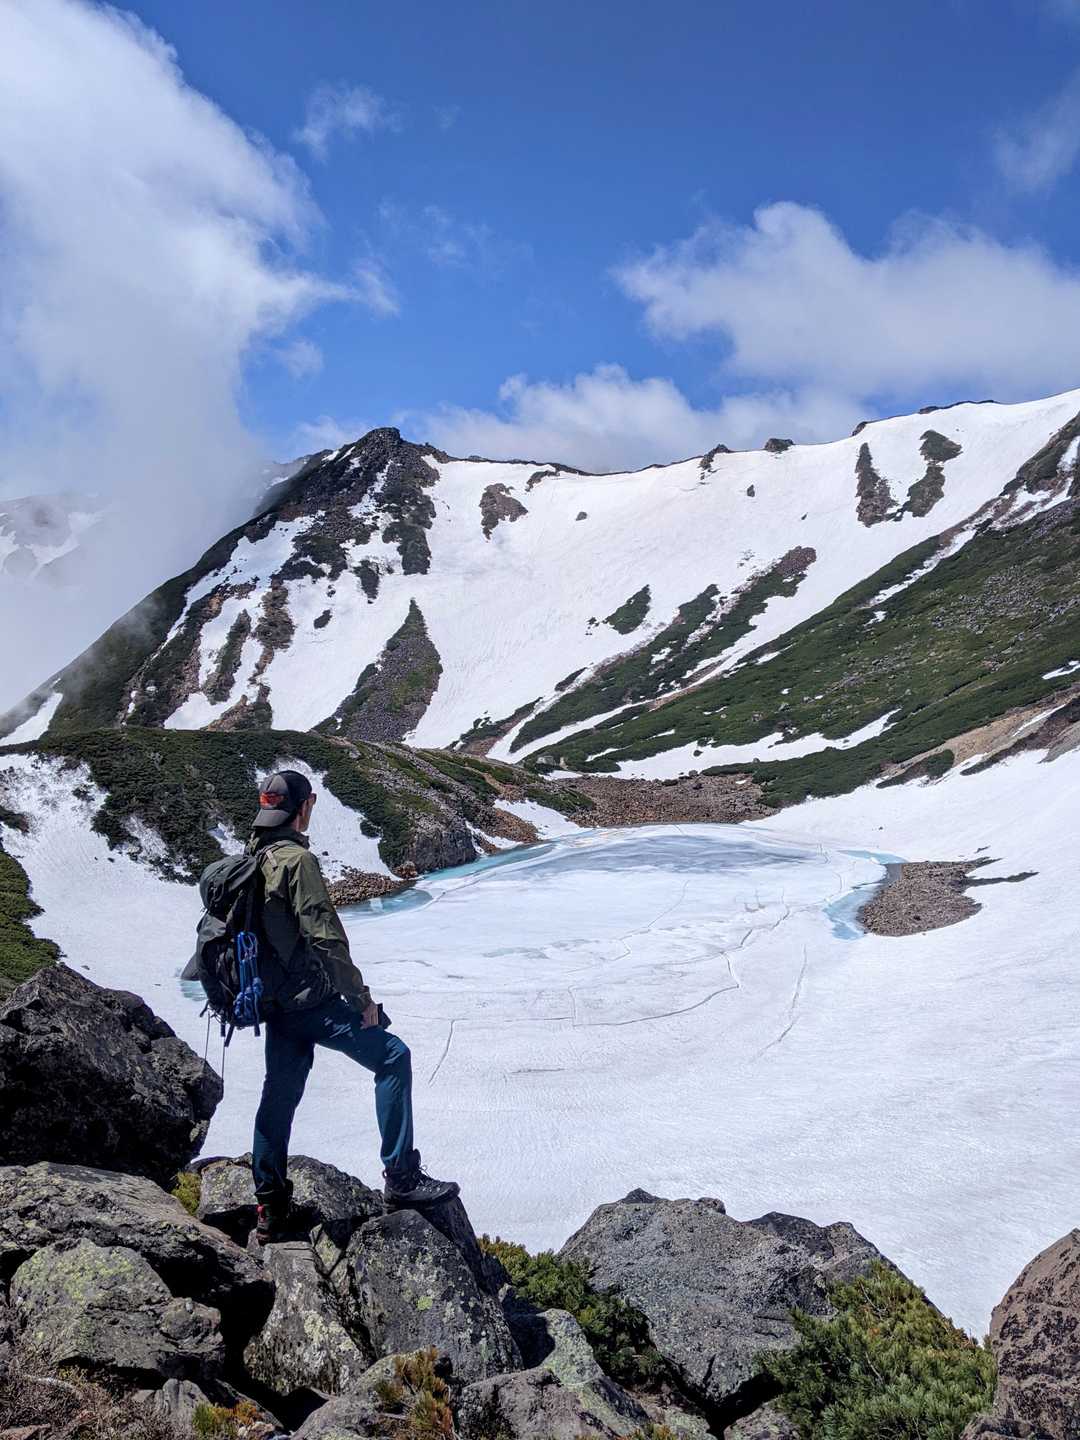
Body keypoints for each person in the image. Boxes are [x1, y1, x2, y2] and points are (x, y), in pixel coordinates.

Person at [247, 768, 459, 1243]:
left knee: (278, 1097)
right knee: (393, 1056)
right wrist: (361, 1000)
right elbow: (325, 938)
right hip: (312, 1003)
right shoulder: (296, 861)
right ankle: (401, 1177)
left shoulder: (254, 856)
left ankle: (270, 1207)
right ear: (302, 807)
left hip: (275, 1006)